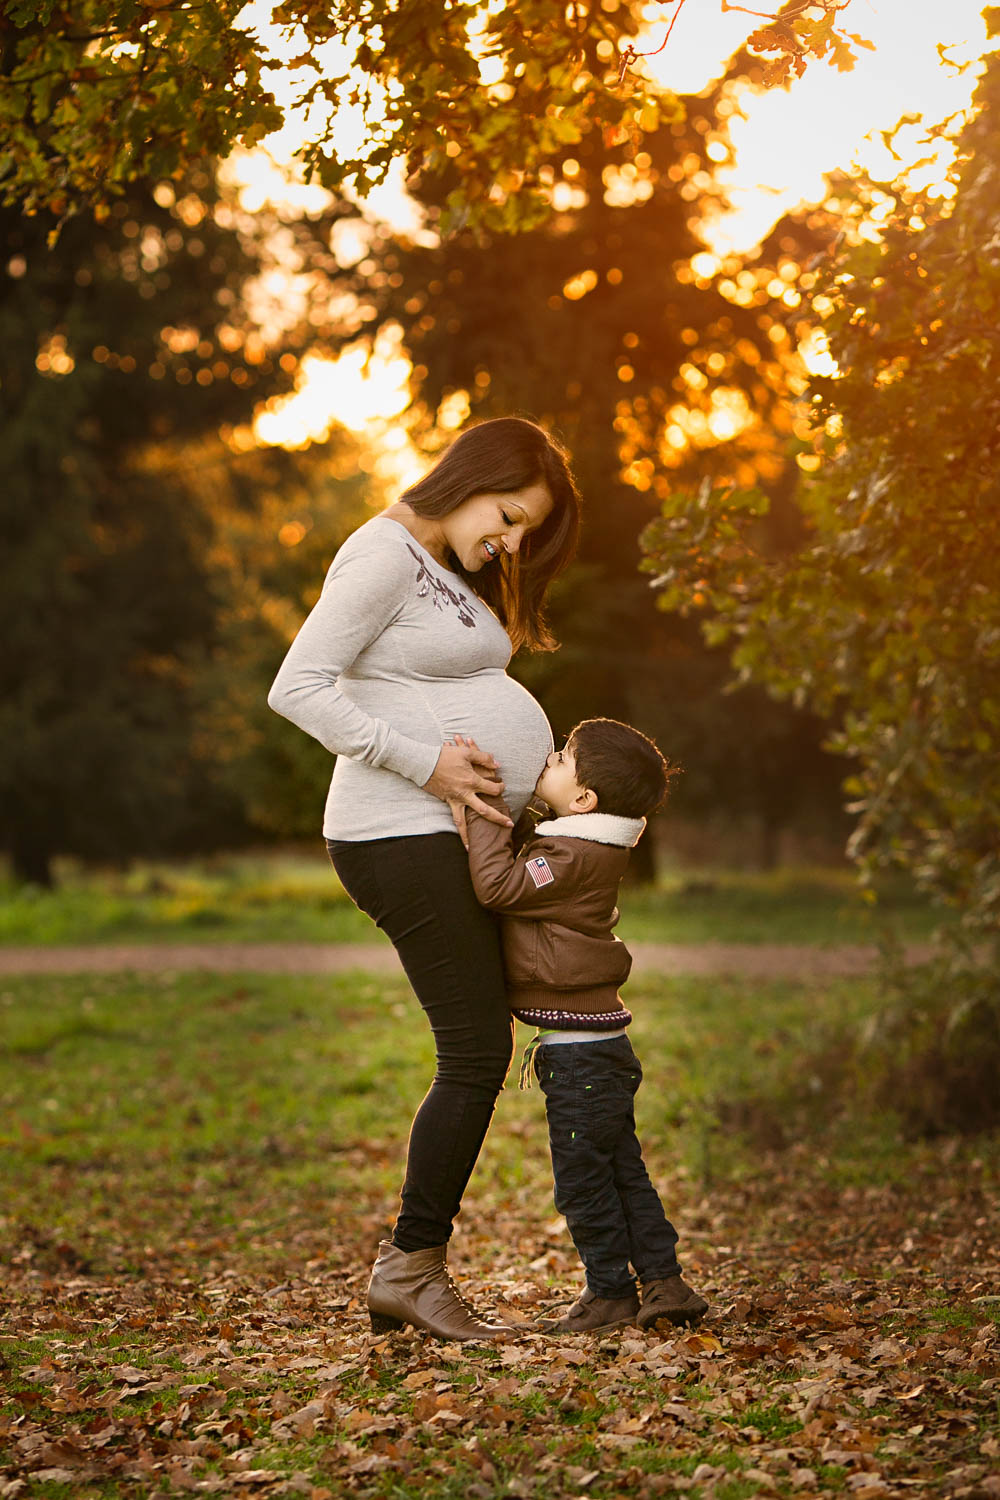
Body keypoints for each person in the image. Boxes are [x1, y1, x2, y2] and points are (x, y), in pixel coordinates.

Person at [267, 417, 581, 1340]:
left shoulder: (445, 571)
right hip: (396, 831)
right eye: (511, 516)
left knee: (488, 1040)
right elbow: (299, 686)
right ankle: (409, 1268)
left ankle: (425, 1265)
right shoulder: (384, 554)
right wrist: (427, 764)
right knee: (477, 1050)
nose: (513, 543)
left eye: (525, 531)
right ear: (474, 476)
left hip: (448, 834)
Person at [465, 717, 709, 1334]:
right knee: (622, 1169)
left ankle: (609, 1294)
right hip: (599, 1050)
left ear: (584, 800)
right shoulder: (583, 844)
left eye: (564, 756)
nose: (550, 757)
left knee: (582, 1184)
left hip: (582, 1063)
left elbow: (497, 887)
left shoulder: (571, 855)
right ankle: (665, 1282)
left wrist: (479, 813)